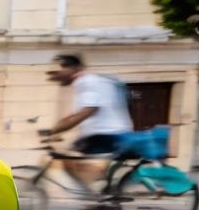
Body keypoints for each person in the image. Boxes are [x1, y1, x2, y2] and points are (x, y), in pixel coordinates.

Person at [40, 54, 133, 191]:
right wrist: (57, 128)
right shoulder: (92, 81)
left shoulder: (85, 82)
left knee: (66, 158)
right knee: (70, 157)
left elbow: (88, 110)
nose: (56, 75)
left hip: (105, 134)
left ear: (74, 68)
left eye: (60, 69)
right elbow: (76, 114)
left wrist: (53, 131)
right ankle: (102, 190)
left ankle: (97, 192)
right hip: (112, 132)